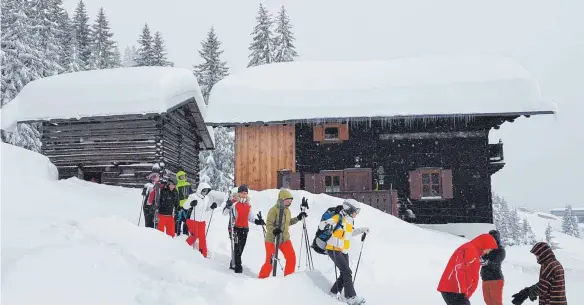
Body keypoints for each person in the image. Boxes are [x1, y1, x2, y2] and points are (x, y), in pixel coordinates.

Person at [321, 199, 369, 305]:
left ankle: (333, 292)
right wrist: (327, 225)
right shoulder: (338, 217)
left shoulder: (349, 220)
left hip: (343, 251)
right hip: (333, 249)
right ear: (349, 209)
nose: (356, 213)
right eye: (355, 211)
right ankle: (350, 297)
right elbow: (323, 225)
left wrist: (362, 230)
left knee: (345, 273)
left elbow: (350, 233)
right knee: (347, 272)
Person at [437, 233, 498, 305]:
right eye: (490, 248)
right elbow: (459, 269)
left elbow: (472, 275)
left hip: (457, 291)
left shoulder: (475, 253)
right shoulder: (469, 249)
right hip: (453, 289)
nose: (489, 252)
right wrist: (461, 291)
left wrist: (466, 292)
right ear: (485, 244)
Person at [258, 189, 307, 278]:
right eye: (288, 200)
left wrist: (298, 218)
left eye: (290, 200)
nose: (289, 202)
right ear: (282, 199)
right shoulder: (273, 210)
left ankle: (288, 279)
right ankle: (262, 278)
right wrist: (274, 230)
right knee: (270, 260)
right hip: (272, 239)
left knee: (291, 258)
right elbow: (269, 224)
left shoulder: (287, 211)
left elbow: (288, 222)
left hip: (284, 239)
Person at [222, 184, 265, 273]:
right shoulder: (233, 203)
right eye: (242, 193)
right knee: (237, 247)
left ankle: (233, 262)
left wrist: (258, 221)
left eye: (245, 193)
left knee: (241, 248)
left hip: (245, 229)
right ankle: (238, 267)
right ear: (238, 193)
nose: (244, 195)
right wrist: (227, 205)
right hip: (235, 228)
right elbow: (224, 213)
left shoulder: (248, 205)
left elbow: (250, 218)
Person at [185, 182, 217, 257]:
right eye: (203, 190)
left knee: (202, 238)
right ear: (200, 190)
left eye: (206, 191)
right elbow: (185, 206)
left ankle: (203, 254)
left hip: (201, 221)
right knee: (194, 236)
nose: (205, 192)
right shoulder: (193, 196)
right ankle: (184, 248)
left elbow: (206, 209)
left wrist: (211, 207)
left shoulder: (206, 199)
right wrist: (191, 203)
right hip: (193, 220)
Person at [480, 230, 506, 305]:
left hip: (496, 279)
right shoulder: (486, 249)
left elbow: (496, 263)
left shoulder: (500, 250)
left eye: (493, 237)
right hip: (485, 279)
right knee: (488, 301)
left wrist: (485, 262)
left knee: (496, 302)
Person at [175, 170, 192, 236]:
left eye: (183, 176)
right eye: (180, 176)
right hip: (180, 205)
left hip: (187, 205)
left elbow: (191, 194)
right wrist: (177, 204)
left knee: (187, 219)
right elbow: (176, 196)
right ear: (178, 177)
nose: (182, 177)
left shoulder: (188, 184)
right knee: (178, 219)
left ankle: (186, 232)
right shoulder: (177, 186)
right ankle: (177, 231)